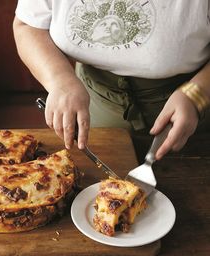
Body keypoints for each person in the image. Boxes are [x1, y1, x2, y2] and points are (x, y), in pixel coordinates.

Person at [13, 0, 210, 160]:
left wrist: (197, 93)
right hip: (92, 108)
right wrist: (60, 81)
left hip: (192, 112)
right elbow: (28, 26)